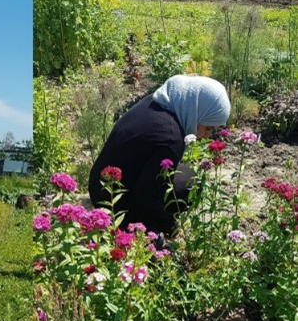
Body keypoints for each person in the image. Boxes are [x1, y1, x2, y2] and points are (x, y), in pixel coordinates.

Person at [88, 74, 231, 237]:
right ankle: (141, 230)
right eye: (208, 128)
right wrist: (172, 227)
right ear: (196, 111)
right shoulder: (170, 138)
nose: (206, 136)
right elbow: (146, 198)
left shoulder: (160, 100)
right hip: (115, 204)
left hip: (100, 183)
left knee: (186, 173)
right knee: (191, 185)